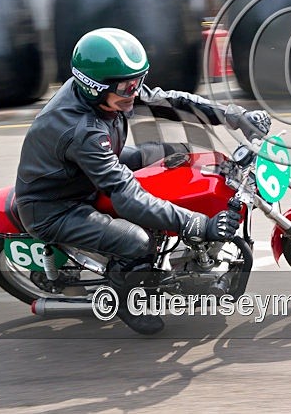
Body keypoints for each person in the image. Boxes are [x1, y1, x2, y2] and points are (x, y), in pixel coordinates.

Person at [14, 28, 271, 335]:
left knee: (174, 154)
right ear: (96, 87)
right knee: (137, 241)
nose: (135, 90)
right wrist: (199, 224)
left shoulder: (107, 93)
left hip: (83, 172)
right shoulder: (82, 131)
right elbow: (126, 196)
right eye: (128, 85)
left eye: (138, 80)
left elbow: (169, 101)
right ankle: (126, 301)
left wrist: (233, 115)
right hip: (56, 206)